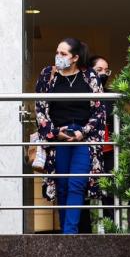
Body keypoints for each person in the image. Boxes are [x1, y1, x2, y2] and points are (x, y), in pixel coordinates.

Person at [34, 38, 106, 234]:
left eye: (64, 54)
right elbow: (39, 108)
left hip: (82, 137)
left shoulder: (89, 76)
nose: (58, 57)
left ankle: (69, 234)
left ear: (75, 57)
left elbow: (100, 111)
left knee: (76, 184)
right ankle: (66, 236)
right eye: (57, 52)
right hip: (58, 137)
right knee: (62, 186)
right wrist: (56, 132)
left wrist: (82, 131)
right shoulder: (48, 75)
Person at [89, 54, 115, 229]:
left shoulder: (111, 96)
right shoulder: (84, 93)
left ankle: (111, 229)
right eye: (99, 70)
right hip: (89, 151)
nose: (104, 73)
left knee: (110, 194)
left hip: (109, 151)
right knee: (87, 190)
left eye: (106, 70)